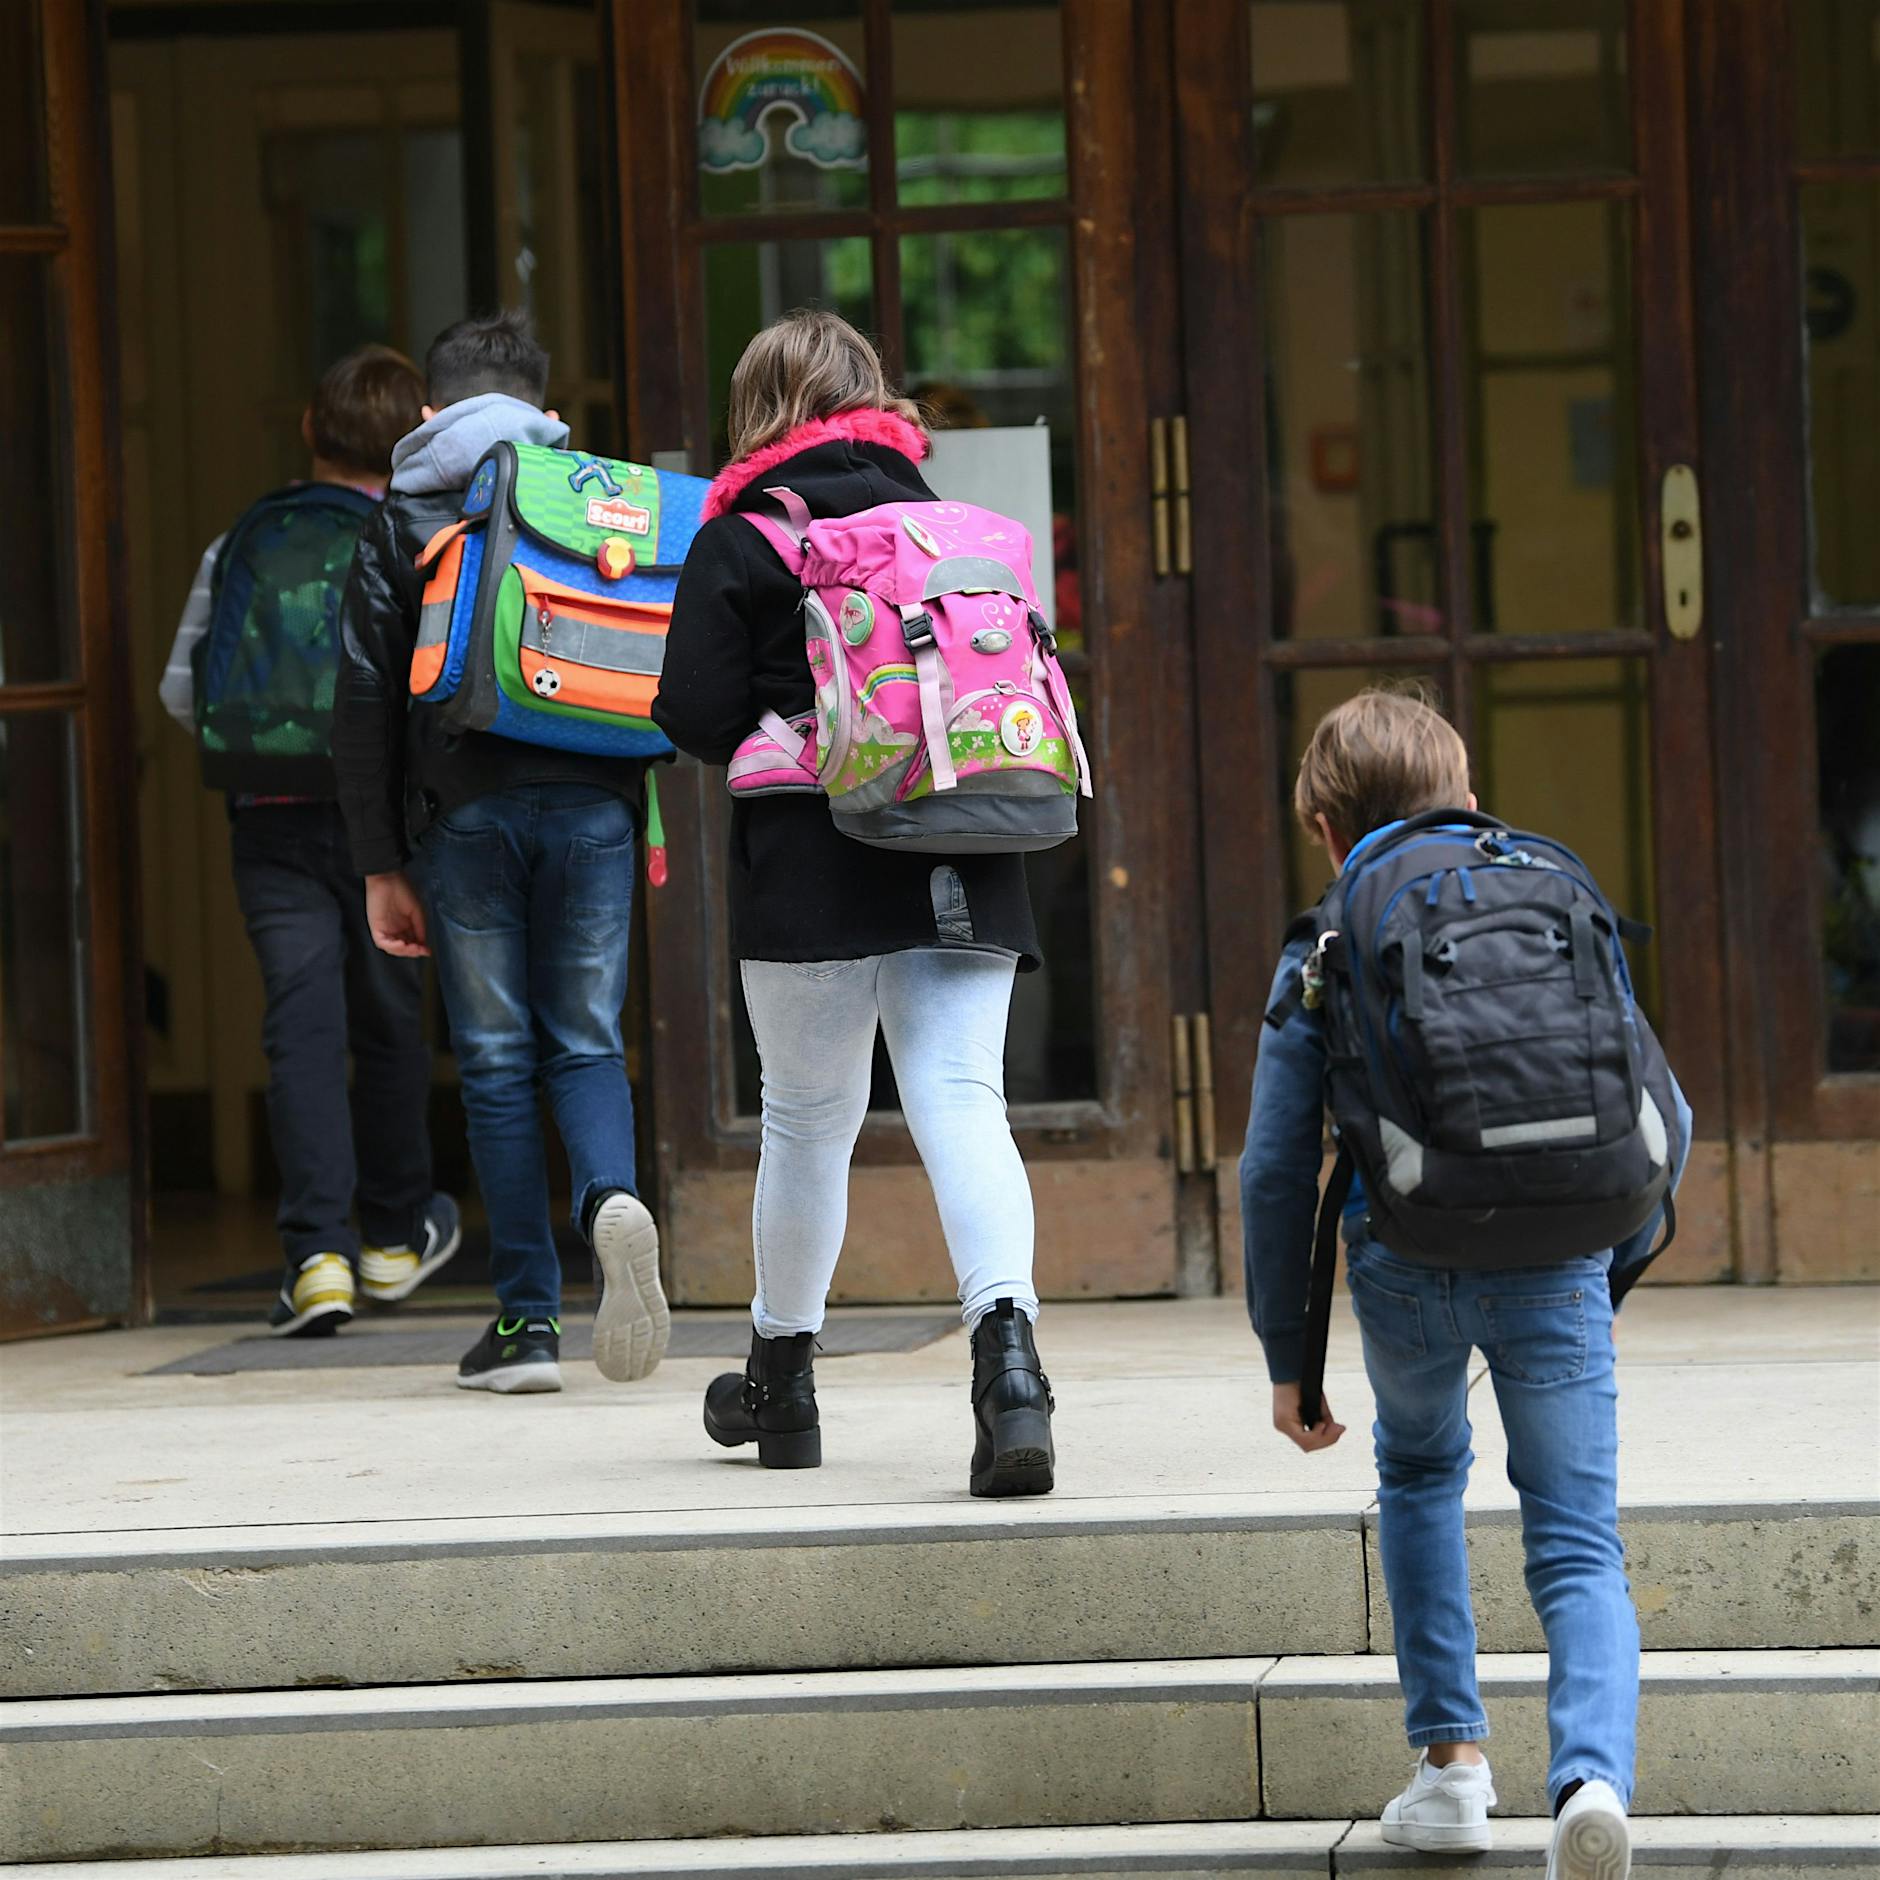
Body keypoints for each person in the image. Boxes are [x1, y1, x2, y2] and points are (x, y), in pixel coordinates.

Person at [1241, 687, 1692, 1880]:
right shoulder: (1548, 894)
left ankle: (1449, 1772)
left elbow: (1275, 1164)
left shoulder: (1325, 936)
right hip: (1558, 1264)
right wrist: (1606, 1264)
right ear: (1468, 796)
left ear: (1327, 829)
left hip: (1405, 1255)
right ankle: (1590, 1780)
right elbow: (1668, 1113)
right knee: (1577, 1538)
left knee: (1418, 1471)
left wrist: (1288, 1355)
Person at [653, 309, 1055, 1496]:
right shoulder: (948, 527)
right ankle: (1011, 1373)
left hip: (808, 852)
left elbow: (693, 715)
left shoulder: (742, 537)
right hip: (968, 838)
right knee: (962, 1095)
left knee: (806, 1119)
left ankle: (780, 1383)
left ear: (757, 410)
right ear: (875, 401)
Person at [335, 310, 667, 1395]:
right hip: (596, 804)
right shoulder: (592, 494)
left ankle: (527, 1323)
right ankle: (610, 1194)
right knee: (587, 1040)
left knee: (492, 1061)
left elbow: (364, 701)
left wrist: (380, 862)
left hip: (464, 813)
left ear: (430, 411)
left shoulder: (401, 514)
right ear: (545, 406)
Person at [160, 345, 459, 1337]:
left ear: (307, 431)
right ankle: (394, 1235)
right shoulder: (421, 540)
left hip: (272, 821)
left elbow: (183, 692)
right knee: (389, 1021)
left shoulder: (242, 541)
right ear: (414, 438)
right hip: (388, 827)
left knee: (301, 1027)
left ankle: (317, 1257)